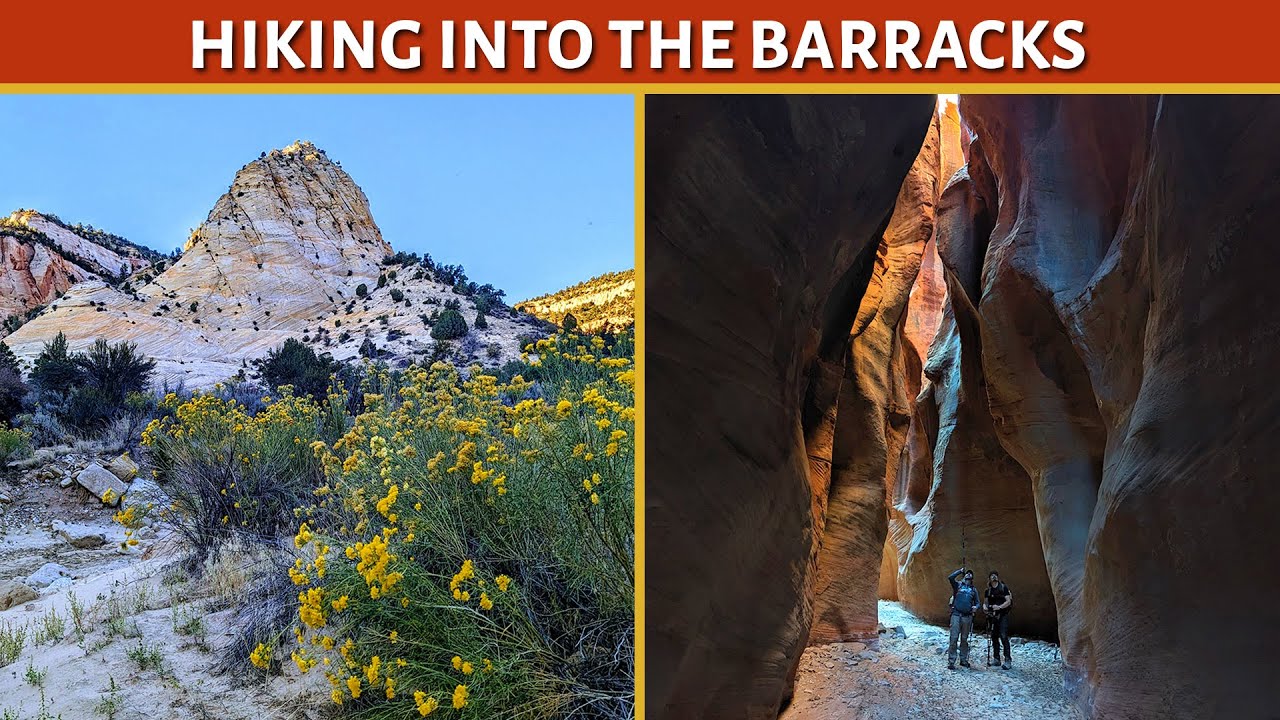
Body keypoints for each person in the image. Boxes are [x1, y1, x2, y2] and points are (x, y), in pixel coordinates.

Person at [946, 566, 980, 670]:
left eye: (971, 574)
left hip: (967, 617)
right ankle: (951, 661)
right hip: (956, 615)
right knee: (954, 638)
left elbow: (978, 602)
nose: (969, 575)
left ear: (972, 578)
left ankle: (963, 660)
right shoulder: (958, 585)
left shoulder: (973, 590)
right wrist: (959, 571)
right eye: (967, 573)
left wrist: (976, 607)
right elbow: (950, 578)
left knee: (964, 639)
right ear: (964, 576)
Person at [984, 570, 1013, 669]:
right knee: (994, 637)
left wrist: (999, 607)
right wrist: (985, 607)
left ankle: (1008, 660)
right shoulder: (988, 591)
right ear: (989, 579)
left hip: (1002, 615)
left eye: (995, 575)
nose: (994, 577)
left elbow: (1008, 601)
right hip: (993, 616)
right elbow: (986, 602)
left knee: (1003, 636)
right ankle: (996, 659)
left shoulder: (1003, 588)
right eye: (992, 575)